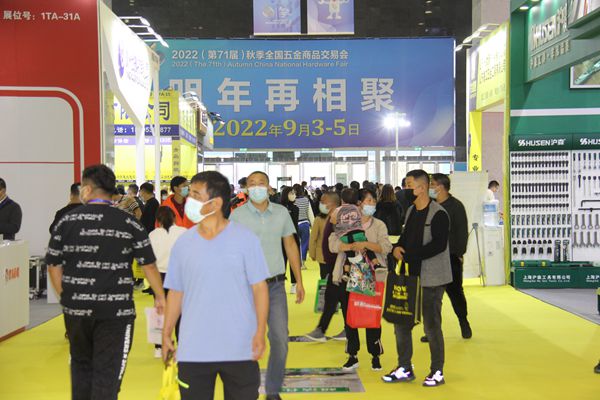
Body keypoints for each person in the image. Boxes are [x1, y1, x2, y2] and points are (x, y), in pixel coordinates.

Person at [45, 164, 165, 400]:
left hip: (77, 309)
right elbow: (148, 264)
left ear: (88, 189)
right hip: (116, 311)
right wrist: (160, 296)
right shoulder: (129, 222)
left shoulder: (67, 220)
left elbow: (53, 264)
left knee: (80, 367)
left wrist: (65, 298)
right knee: (108, 373)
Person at [162, 171, 269, 400]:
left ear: (216, 203)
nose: (188, 200)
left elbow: (260, 288)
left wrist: (260, 331)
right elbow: (176, 292)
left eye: (195, 195)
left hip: (240, 347)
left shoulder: (246, 239)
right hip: (194, 349)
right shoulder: (183, 243)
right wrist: (166, 332)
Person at [230, 171, 305, 400]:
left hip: (275, 285)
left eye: (260, 183)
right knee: (246, 340)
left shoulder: (281, 213)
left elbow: (290, 245)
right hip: (246, 287)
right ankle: (248, 389)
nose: (256, 187)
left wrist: (299, 281)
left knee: (280, 338)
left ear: (269, 187)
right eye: (251, 184)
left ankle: (273, 390)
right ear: (246, 188)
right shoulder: (237, 216)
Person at [382, 169, 452, 388]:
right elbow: (406, 237)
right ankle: (404, 367)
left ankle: (437, 371)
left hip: (432, 279)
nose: (406, 189)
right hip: (409, 277)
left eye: (409, 185)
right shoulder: (412, 210)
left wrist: (411, 254)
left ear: (421, 188)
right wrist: (397, 248)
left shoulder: (439, 214)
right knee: (401, 323)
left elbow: (438, 245)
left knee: (431, 326)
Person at [329, 188, 392, 371]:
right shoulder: (345, 220)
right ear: (359, 204)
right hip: (348, 277)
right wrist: (350, 246)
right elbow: (332, 244)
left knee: (372, 315)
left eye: (374, 201)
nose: (371, 204)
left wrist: (365, 244)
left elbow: (386, 246)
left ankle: (375, 354)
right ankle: (352, 355)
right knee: (350, 316)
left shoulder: (379, 225)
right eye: (368, 201)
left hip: (371, 277)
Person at [422, 173, 472, 342]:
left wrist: (459, 253)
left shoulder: (456, 206)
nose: (430, 188)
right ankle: (432, 331)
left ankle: (463, 321)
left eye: (432, 184)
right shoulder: (429, 205)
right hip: (431, 257)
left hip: (451, 257)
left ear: (441, 187)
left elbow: (462, 232)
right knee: (432, 297)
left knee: (455, 292)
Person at [305, 192, 346, 342]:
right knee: (333, 298)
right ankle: (324, 330)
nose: (320, 204)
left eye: (324, 201)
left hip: (339, 266)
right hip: (331, 264)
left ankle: (325, 330)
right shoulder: (328, 218)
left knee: (337, 298)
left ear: (332, 203)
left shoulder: (338, 219)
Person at [149, 206, 186, 358]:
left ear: (158, 221)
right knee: (180, 311)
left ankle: (158, 347)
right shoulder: (183, 232)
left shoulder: (153, 234)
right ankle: (182, 344)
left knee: (159, 310)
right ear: (174, 218)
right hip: (178, 275)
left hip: (159, 276)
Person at [280, 186, 300, 293]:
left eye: (294, 193)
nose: (293, 195)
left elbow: (294, 223)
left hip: (293, 236)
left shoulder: (295, 208)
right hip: (280, 237)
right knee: (281, 261)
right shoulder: (279, 208)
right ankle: (280, 283)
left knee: (294, 260)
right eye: (291, 193)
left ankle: (294, 284)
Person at [309, 192, 331, 280]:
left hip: (335, 254)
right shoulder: (318, 219)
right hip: (322, 254)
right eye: (321, 202)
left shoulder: (337, 218)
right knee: (324, 276)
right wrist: (312, 253)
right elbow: (313, 237)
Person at [293, 183, 314, 268]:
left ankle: (296, 262)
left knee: (295, 244)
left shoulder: (292, 201)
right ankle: (302, 263)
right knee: (304, 244)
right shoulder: (306, 200)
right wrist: (313, 225)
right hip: (304, 223)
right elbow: (310, 213)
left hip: (294, 224)